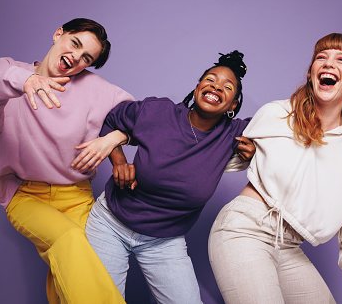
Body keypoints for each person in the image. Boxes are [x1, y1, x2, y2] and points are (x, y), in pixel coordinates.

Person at [208, 33, 342, 304]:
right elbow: (210, 151)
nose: (329, 63)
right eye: (321, 57)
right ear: (311, 73)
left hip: (288, 245)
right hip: (243, 228)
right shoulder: (278, 114)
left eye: (341, 59)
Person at [0, 18, 133, 304]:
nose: (75, 57)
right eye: (74, 43)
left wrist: (113, 140)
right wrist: (24, 80)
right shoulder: (9, 71)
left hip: (78, 196)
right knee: (68, 241)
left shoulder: (95, 88)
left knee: (74, 266)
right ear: (58, 34)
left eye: (86, 58)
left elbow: (142, 118)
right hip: (26, 196)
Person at [72, 51, 255, 303]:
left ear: (233, 104)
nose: (216, 87)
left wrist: (258, 148)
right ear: (197, 87)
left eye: (227, 86)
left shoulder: (234, 134)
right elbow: (110, 119)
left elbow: (284, 128)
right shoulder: (158, 111)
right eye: (210, 80)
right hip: (110, 224)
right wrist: (118, 161)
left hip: (164, 242)